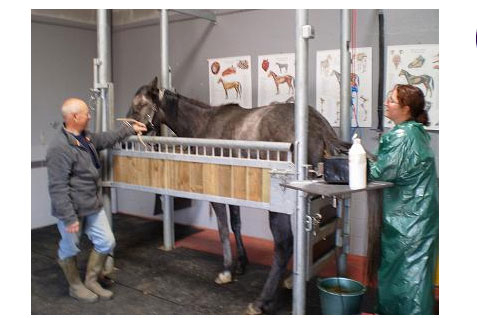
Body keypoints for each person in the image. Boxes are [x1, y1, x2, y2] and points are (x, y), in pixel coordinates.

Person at [46, 97, 147, 302]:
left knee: (106, 241)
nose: (90, 115)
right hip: (72, 209)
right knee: (70, 247)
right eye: (86, 113)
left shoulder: (86, 137)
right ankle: (75, 286)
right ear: (75, 117)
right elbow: (58, 187)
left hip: (92, 204)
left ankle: (91, 280)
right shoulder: (59, 147)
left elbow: (107, 138)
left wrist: (129, 128)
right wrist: (69, 217)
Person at [368, 84, 438, 314]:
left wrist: (354, 163)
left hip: (409, 217)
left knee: (408, 275)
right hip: (417, 212)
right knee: (411, 271)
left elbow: (382, 172)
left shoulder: (401, 135)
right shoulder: (416, 130)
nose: (386, 104)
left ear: (406, 108)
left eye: (391, 100)